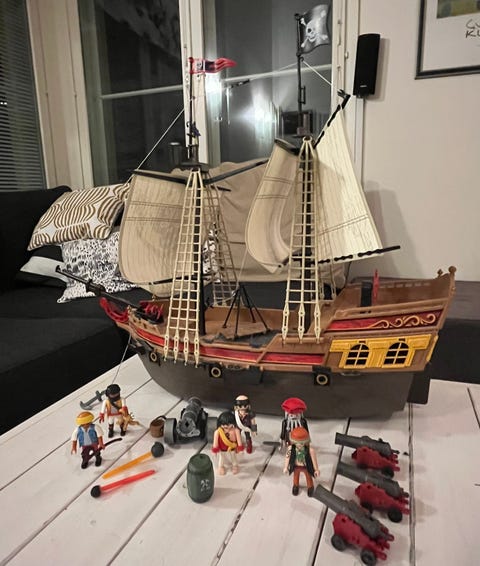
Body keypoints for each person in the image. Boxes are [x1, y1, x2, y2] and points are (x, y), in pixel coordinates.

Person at [283, 426, 319, 496]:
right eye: (297, 443)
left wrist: (316, 469)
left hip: (306, 467)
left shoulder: (310, 450)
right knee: (295, 476)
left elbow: (314, 459)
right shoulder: (290, 449)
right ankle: (295, 486)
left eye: (301, 443)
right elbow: (287, 457)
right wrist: (286, 467)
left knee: (308, 477)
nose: (299, 445)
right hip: (295, 466)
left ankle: (310, 487)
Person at [212, 411, 244, 475]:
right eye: (224, 424)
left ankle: (235, 466)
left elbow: (239, 440)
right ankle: (221, 467)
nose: (226, 426)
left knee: (233, 457)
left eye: (229, 424)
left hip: (232, 448)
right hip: (222, 449)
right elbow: (215, 442)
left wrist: (240, 449)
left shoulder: (236, 430)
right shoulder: (218, 432)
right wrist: (215, 451)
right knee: (222, 458)